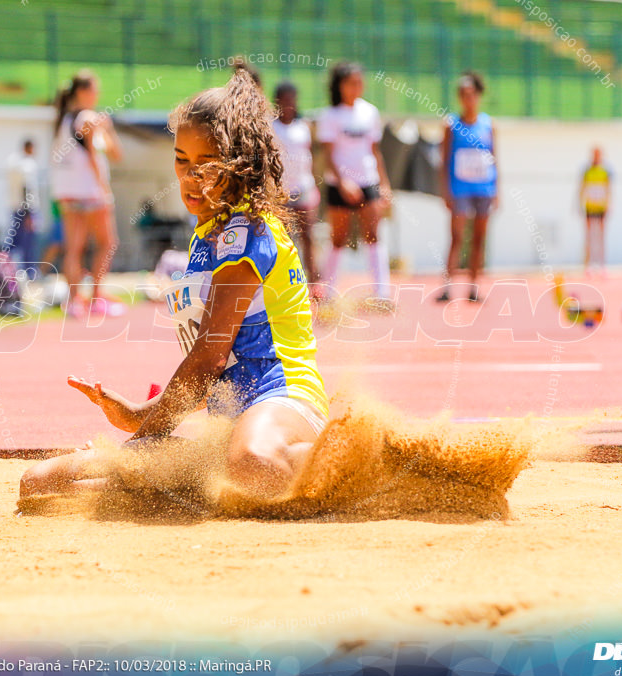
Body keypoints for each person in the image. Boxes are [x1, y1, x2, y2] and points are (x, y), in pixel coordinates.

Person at [20, 68, 329, 501]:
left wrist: (142, 440)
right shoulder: (205, 236)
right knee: (41, 484)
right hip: (229, 424)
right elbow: (217, 375)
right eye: (182, 161)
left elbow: (208, 360)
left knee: (252, 464)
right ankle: (212, 474)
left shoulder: (248, 234)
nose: (190, 177)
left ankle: (363, 458)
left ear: (239, 166)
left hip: (284, 399)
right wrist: (135, 414)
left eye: (205, 166)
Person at [50, 70, 125, 318]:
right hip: (91, 192)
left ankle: (74, 301)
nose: (98, 94)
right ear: (83, 92)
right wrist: (104, 188)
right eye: (95, 89)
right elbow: (105, 156)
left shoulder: (62, 119)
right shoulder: (88, 118)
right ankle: (95, 297)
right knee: (107, 243)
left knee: (74, 247)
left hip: (67, 193)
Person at [316, 62, 393, 304]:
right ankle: (328, 292)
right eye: (350, 82)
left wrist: (384, 183)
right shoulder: (329, 115)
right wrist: (342, 183)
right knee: (338, 237)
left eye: (359, 82)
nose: (356, 87)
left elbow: (375, 151)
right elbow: (328, 156)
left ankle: (382, 293)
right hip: (339, 185)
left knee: (373, 234)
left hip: (367, 181)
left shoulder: (370, 112)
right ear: (339, 86)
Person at [439, 71, 498, 303]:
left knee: (479, 239)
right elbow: (444, 161)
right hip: (459, 189)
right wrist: (445, 190)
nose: (468, 99)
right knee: (457, 237)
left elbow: (495, 157)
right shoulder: (451, 125)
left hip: (484, 188)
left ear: (478, 96)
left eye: (472, 95)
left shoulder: (488, 124)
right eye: (463, 95)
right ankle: (447, 287)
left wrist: (497, 190)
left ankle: (474, 288)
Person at [272, 81, 321, 282]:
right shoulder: (270, 125)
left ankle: (314, 280)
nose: (289, 103)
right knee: (283, 239)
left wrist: (313, 184)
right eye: (285, 99)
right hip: (280, 192)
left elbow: (309, 155)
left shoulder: (303, 126)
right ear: (277, 101)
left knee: (308, 235)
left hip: (303, 188)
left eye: (292, 99)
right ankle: (284, 280)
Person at [4, 138, 40, 269]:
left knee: (14, 241)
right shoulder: (27, 165)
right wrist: (28, 213)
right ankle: (29, 272)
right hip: (26, 209)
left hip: (15, 208)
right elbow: (27, 187)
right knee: (28, 243)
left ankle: (2, 269)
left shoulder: (13, 163)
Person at [579, 146, 612, 276]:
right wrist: (580, 202)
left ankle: (602, 265)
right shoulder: (587, 171)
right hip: (589, 206)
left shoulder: (605, 170)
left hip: (601, 207)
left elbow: (608, 188)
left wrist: (609, 204)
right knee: (589, 237)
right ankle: (588, 266)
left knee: (601, 237)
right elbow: (582, 187)